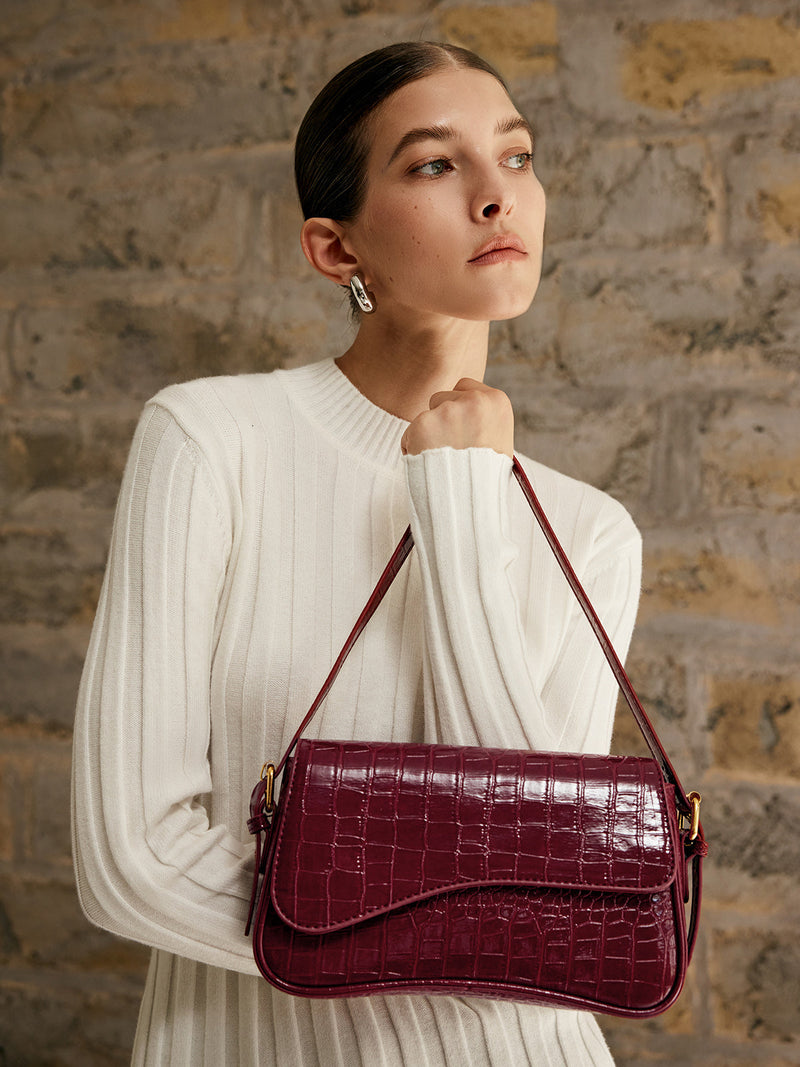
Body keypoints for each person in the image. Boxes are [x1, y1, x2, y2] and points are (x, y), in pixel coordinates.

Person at [71, 41, 641, 1066]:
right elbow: (132, 860)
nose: (495, 194)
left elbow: (529, 867)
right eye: (435, 163)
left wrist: (462, 498)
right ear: (337, 251)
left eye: (515, 156)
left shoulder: (589, 529)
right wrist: (466, 934)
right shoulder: (212, 442)